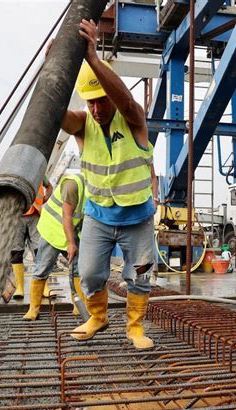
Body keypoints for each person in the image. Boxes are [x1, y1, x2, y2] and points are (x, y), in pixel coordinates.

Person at [61, 19, 156, 349]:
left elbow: (127, 103)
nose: (97, 108)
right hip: (99, 218)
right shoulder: (82, 124)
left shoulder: (133, 120)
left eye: (102, 100)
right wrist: (54, 67)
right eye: (91, 102)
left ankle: (135, 327)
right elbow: (60, 116)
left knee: (141, 274)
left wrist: (94, 61)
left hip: (137, 219)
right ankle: (98, 317)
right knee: (88, 273)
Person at [22, 172, 86, 320]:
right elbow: (67, 216)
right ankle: (33, 309)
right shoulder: (73, 184)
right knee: (42, 268)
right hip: (53, 229)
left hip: (73, 230)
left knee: (78, 270)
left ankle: (78, 305)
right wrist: (71, 244)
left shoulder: (97, 190)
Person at [11, 177, 52, 300]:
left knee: (39, 251)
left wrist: (44, 199)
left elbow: (49, 186)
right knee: (16, 252)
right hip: (16, 215)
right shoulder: (12, 170)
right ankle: (20, 288)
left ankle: (45, 286)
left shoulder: (38, 168)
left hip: (35, 214)